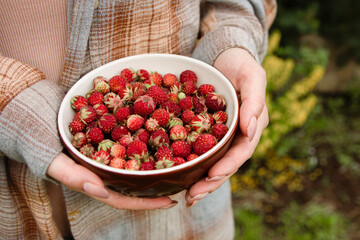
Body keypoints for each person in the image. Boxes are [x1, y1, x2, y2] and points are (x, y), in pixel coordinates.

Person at [0, 0, 276, 239]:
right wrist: (11, 100)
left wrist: (231, 42)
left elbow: (237, 5)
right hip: (20, 203)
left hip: (179, 214)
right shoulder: (128, 120)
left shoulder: (162, 111)